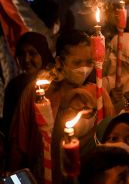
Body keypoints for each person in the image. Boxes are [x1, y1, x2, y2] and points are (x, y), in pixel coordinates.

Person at [9, 30, 115, 182]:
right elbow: (19, 141)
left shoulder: (98, 94)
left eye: (89, 62)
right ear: (59, 62)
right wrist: (13, 177)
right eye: (77, 63)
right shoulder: (38, 92)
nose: (84, 68)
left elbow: (110, 142)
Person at [2, 32, 54, 140]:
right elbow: (9, 124)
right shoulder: (14, 86)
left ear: (43, 54)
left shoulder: (54, 82)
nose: (26, 59)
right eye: (21, 54)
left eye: (32, 53)